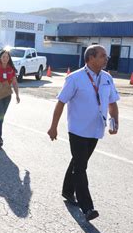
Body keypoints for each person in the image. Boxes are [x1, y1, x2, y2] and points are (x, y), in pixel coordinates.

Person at [47, 45, 119, 221]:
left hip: (96, 130)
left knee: (79, 161)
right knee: (81, 167)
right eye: (102, 56)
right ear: (91, 58)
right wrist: (53, 126)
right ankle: (87, 207)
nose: (106, 58)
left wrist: (114, 121)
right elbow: (61, 102)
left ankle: (67, 190)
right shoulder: (75, 78)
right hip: (78, 130)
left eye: (106, 56)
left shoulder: (107, 78)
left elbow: (112, 102)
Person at [0, 48, 20, 149]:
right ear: (0, 58)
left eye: (7, 57)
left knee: (1, 116)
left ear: (9, 58)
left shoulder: (11, 68)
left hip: (7, 95)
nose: (5, 58)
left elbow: (14, 82)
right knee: (0, 114)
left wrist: (17, 95)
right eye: (3, 57)